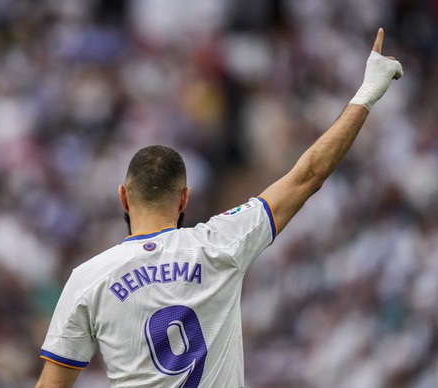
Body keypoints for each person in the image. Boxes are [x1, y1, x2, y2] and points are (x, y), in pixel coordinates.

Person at [35, 28, 403, 388]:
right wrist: (368, 92)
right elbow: (309, 175)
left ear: (123, 197)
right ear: (184, 199)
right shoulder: (220, 243)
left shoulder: (89, 278)